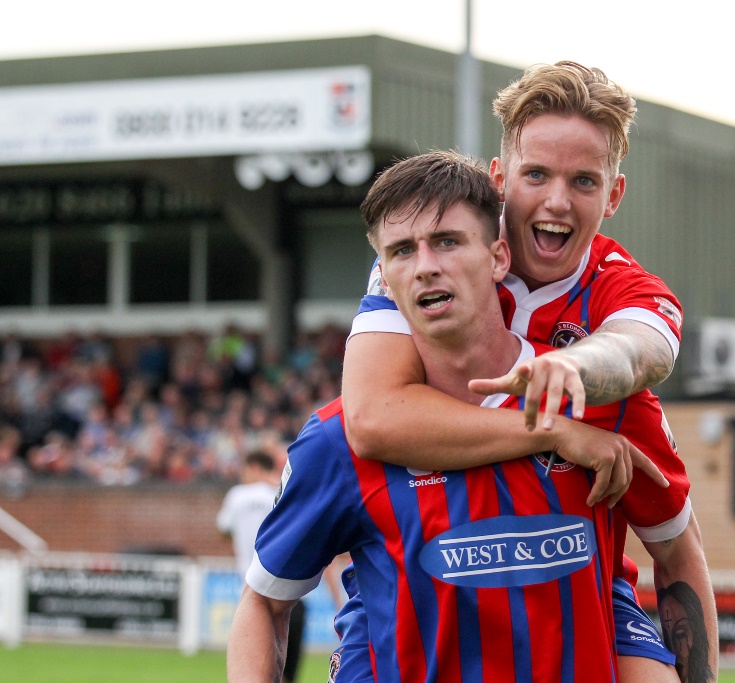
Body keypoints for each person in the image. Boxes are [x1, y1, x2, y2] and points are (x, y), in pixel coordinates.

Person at [227, 151, 691, 682]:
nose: (425, 265)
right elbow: (263, 603)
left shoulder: (599, 405)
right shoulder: (340, 439)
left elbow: (679, 552)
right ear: (385, 277)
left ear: (498, 258)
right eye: (402, 251)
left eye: (447, 241)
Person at [342, 62, 717, 681]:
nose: (556, 201)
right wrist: (553, 430)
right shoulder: (430, 257)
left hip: (576, 583)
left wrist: (572, 366)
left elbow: (641, 351)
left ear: (614, 195)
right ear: (499, 178)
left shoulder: (622, 291)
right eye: (536, 174)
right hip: (419, 574)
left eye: (584, 181)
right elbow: (373, 418)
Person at [218, 450, 305, 683]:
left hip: (252, 593)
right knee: (285, 673)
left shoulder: (236, 496)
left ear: (254, 467)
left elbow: (224, 530)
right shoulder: (280, 493)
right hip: (289, 590)